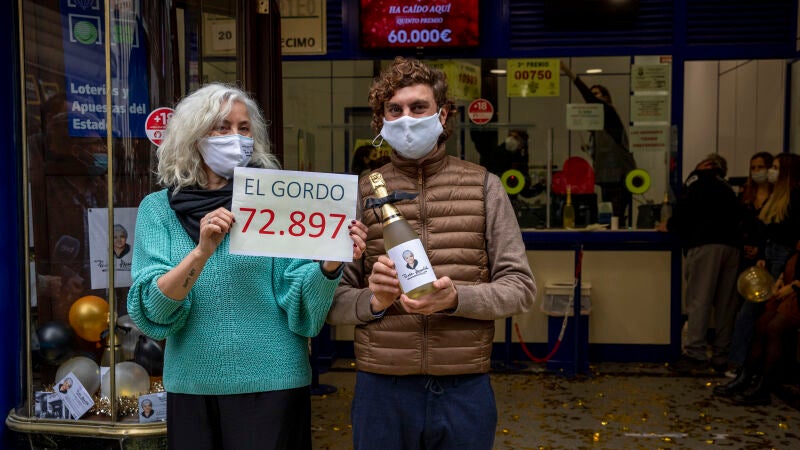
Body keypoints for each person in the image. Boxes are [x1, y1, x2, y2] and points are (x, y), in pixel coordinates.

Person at [126, 83, 368, 450]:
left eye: (244, 128)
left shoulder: (275, 200)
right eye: (221, 127)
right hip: (193, 385)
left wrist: (331, 262)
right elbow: (152, 311)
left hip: (274, 382)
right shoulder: (158, 209)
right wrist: (201, 253)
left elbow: (302, 304)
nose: (236, 138)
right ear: (193, 136)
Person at [327, 57, 537, 450]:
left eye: (418, 107)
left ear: (442, 115)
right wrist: (374, 301)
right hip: (382, 386)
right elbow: (330, 300)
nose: (406, 119)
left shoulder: (484, 187)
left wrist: (457, 298)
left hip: (464, 386)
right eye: (395, 110)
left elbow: (520, 288)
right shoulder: (358, 193)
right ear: (381, 121)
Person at [658, 154, 741, 373]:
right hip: (732, 247)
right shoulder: (728, 187)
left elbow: (685, 210)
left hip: (705, 245)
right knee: (726, 305)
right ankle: (722, 355)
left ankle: (695, 354)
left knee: (699, 300)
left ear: (708, 164)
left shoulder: (698, 179)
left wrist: (670, 225)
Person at [715, 244, 800, 405]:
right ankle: (746, 377)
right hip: (791, 280)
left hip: (796, 291)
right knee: (761, 324)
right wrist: (781, 280)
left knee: (774, 328)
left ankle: (765, 386)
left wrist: (794, 286)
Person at [560, 61, 636, 227]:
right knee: (610, 215)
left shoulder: (608, 110)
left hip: (618, 175)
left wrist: (569, 73)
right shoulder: (600, 125)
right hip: (608, 175)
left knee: (615, 215)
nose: (593, 98)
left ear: (606, 98)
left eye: (597, 94)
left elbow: (588, 96)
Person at [727, 152, 774, 373]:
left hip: (766, 259)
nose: (756, 172)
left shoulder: (776, 199)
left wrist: (760, 250)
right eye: (753, 167)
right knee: (742, 309)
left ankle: (742, 362)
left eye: (760, 167)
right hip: (745, 258)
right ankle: (744, 360)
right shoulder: (745, 198)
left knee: (753, 311)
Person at [757, 153, 800, 279]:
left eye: (775, 168)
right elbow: (766, 230)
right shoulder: (773, 197)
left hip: (785, 254)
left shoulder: (796, 197)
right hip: (769, 251)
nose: (770, 171)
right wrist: (761, 255)